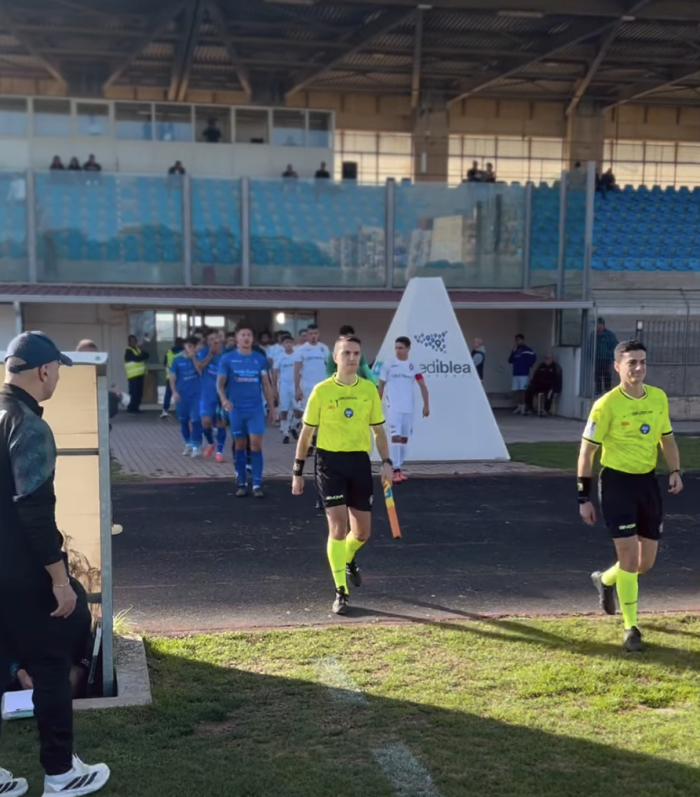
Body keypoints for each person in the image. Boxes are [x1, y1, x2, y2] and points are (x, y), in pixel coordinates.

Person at [0, 331, 110, 797]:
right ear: (44, 370)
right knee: (50, 664)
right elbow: (34, 511)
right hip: (22, 573)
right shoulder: (29, 425)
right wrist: (60, 579)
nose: (60, 375)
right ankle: (61, 774)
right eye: (59, 368)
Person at [577, 340, 682, 653]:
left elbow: (668, 440)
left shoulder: (658, 398)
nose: (638, 368)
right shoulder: (606, 405)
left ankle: (606, 580)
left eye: (642, 362)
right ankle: (631, 627)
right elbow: (586, 453)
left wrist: (675, 471)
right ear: (617, 367)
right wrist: (583, 498)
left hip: (646, 484)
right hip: (616, 485)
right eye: (632, 362)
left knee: (644, 564)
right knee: (629, 559)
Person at [291, 334, 394, 615]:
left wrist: (387, 462)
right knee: (338, 527)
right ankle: (341, 591)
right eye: (346, 353)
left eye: (356, 353)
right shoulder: (322, 391)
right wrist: (297, 472)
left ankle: (348, 559)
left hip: (359, 463)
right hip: (329, 464)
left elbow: (379, 431)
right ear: (335, 357)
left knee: (362, 532)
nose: (351, 358)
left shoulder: (369, 390)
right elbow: (306, 433)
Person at [217, 324, 276, 498]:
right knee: (240, 445)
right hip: (236, 409)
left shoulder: (259, 359)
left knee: (256, 445)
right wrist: (223, 399)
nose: (246, 338)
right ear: (237, 338)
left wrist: (272, 406)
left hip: (255, 409)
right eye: (243, 335)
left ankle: (257, 484)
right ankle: (241, 482)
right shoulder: (228, 359)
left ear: (252, 338)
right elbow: (220, 384)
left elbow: (266, 384)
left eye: (249, 335)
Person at [378, 336, 430, 483]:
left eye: (401, 348)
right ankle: (396, 470)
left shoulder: (413, 366)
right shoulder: (388, 365)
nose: (398, 351)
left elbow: (422, 386)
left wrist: (426, 405)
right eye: (396, 348)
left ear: (408, 348)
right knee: (396, 436)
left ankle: (399, 467)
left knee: (404, 439)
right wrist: (376, 404)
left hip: (408, 408)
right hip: (393, 408)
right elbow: (381, 386)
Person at [169, 336, 203, 458]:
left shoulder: (198, 357)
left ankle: (196, 446)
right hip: (182, 395)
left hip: (196, 394)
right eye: (189, 346)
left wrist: (194, 358)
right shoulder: (177, 360)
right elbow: (172, 377)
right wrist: (174, 392)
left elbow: (201, 372)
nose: (191, 349)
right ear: (184, 346)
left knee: (196, 420)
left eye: (193, 347)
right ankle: (188, 443)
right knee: (183, 420)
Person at [196, 329, 226, 463]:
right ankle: (210, 443)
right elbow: (200, 367)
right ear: (208, 342)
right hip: (207, 394)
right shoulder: (202, 352)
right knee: (206, 423)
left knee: (221, 423)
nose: (214, 341)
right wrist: (210, 354)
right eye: (211, 339)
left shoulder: (227, 354)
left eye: (216, 338)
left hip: (222, 395)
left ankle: (219, 452)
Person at [294, 323, 330, 424]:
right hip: (307, 386)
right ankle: (308, 435)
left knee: (322, 411)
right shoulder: (301, 350)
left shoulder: (324, 348)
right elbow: (296, 371)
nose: (313, 336)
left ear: (318, 334)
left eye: (315, 333)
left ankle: (317, 436)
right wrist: (297, 388)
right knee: (308, 412)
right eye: (311, 334)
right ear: (307, 335)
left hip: (322, 385)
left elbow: (329, 368)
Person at [273, 335, 301, 444]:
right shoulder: (280, 357)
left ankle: (293, 426)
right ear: (282, 344)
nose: (288, 344)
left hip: (295, 385)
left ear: (293, 343)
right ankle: (286, 433)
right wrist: (274, 388)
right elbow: (275, 373)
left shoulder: (298, 355)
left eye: (290, 342)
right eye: (286, 342)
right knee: (284, 410)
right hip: (284, 386)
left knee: (298, 410)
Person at [508, 334, 536, 415]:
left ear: (523, 340)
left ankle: (523, 407)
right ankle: (519, 406)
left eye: (519, 340)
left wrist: (528, 365)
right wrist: (513, 351)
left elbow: (533, 358)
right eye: (516, 340)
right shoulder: (515, 350)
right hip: (516, 373)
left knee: (523, 390)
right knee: (516, 391)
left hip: (524, 373)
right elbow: (510, 360)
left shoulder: (527, 350)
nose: (517, 342)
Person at [124, 335, 148, 414]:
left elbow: (146, 355)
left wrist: (140, 356)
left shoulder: (137, 349)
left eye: (135, 340)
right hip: (133, 375)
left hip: (140, 375)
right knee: (134, 392)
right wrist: (141, 357)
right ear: (129, 342)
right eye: (132, 340)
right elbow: (137, 358)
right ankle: (132, 408)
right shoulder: (128, 351)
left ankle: (136, 408)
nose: (134, 342)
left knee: (139, 393)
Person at [161, 338, 184, 417]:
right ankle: (180, 410)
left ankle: (165, 410)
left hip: (170, 376)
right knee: (181, 393)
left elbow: (165, 363)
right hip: (181, 377)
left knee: (168, 394)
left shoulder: (169, 352)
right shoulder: (183, 352)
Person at [595, 317, 618, 396]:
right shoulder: (594, 335)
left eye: (600, 325)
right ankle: (598, 390)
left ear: (603, 325)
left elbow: (614, 346)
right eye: (598, 325)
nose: (599, 327)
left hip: (606, 359)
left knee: (606, 374)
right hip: (597, 359)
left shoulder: (609, 335)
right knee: (597, 374)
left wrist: (610, 355)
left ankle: (608, 389)